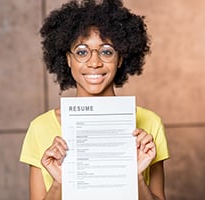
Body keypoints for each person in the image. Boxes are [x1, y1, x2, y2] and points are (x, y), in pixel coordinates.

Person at [20, 0, 169, 199]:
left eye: (106, 51)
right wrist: (60, 184)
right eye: (82, 52)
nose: (94, 62)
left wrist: (136, 176)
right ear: (68, 59)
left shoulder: (150, 124)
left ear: (120, 59)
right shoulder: (40, 128)